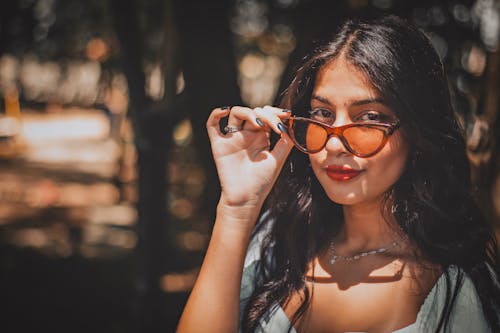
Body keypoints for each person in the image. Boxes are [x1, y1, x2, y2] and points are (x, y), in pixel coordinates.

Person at [177, 15, 500, 333]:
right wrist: (237, 208)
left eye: (370, 117)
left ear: (418, 132)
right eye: (322, 113)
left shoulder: (454, 286)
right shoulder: (278, 241)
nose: (333, 143)